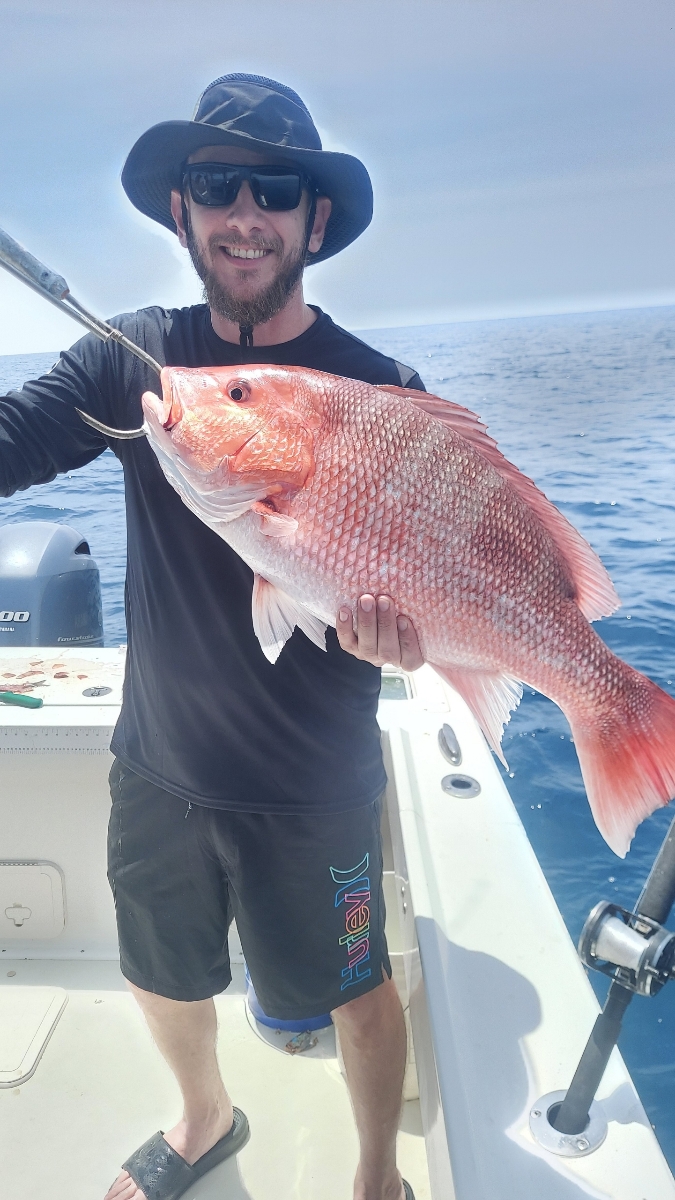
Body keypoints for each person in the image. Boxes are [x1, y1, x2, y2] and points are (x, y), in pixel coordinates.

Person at [0, 74, 425, 1200]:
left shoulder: (384, 392)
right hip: (160, 762)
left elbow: (431, 594)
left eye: (275, 190)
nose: (246, 213)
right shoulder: (137, 364)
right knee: (159, 972)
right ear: (180, 211)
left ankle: (376, 1173)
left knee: (356, 990)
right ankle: (204, 1116)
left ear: (314, 221)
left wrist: (407, 640)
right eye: (215, 184)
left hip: (315, 787)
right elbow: (10, 441)